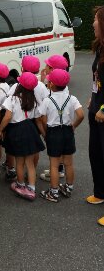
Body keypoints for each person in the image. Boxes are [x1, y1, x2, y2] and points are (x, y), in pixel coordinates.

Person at [38, 69, 84, 203]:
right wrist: (73, 125)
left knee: (54, 164)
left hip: (54, 132)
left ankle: (53, 192)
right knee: (69, 163)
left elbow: (42, 118)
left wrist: (46, 133)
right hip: (68, 132)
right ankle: (68, 188)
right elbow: (81, 115)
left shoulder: (47, 100)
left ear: (51, 84)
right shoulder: (72, 98)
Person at [0, 72, 45, 201]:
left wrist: (0, 129)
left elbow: (7, 117)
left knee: (19, 161)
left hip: (17, 131)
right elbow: (38, 119)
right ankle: (31, 188)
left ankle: (20, 184)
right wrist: (44, 134)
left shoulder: (13, 99)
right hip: (30, 129)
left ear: (19, 85)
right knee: (29, 163)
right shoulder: (34, 100)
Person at [87, 6, 104, 225]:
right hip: (96, 110)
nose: (92, 24)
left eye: (96, 20)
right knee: (96, 153)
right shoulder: (100, 48)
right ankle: (100, 192)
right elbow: (97, 78)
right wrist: (94, 97)